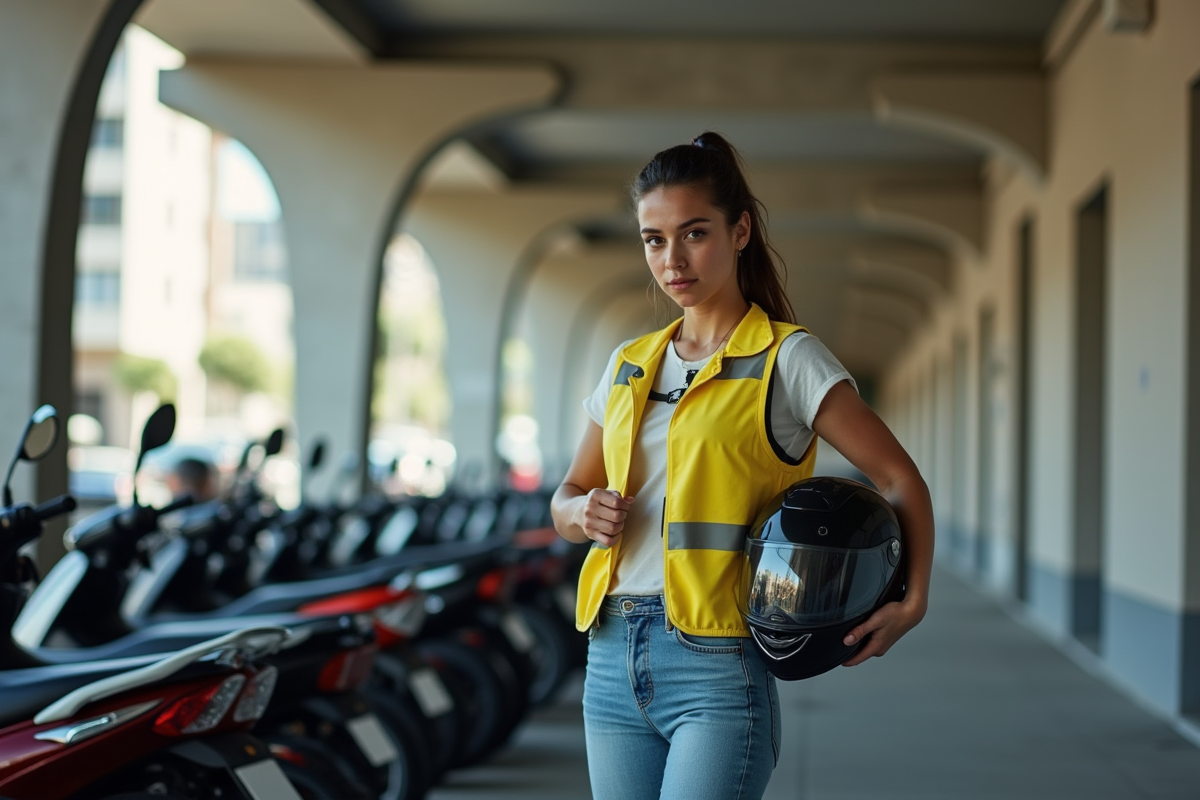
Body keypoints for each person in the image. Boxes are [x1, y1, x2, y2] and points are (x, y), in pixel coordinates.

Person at [550, 132, 934, 800]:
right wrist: (581, 513)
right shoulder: (628, 363)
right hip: (612, 656)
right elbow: (566, 496)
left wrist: (912, 600)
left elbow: (900, 478)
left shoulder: (788, 358)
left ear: (740, 231)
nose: (673, 259)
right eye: (654, 239)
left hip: (719, 663)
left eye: (694, 233)